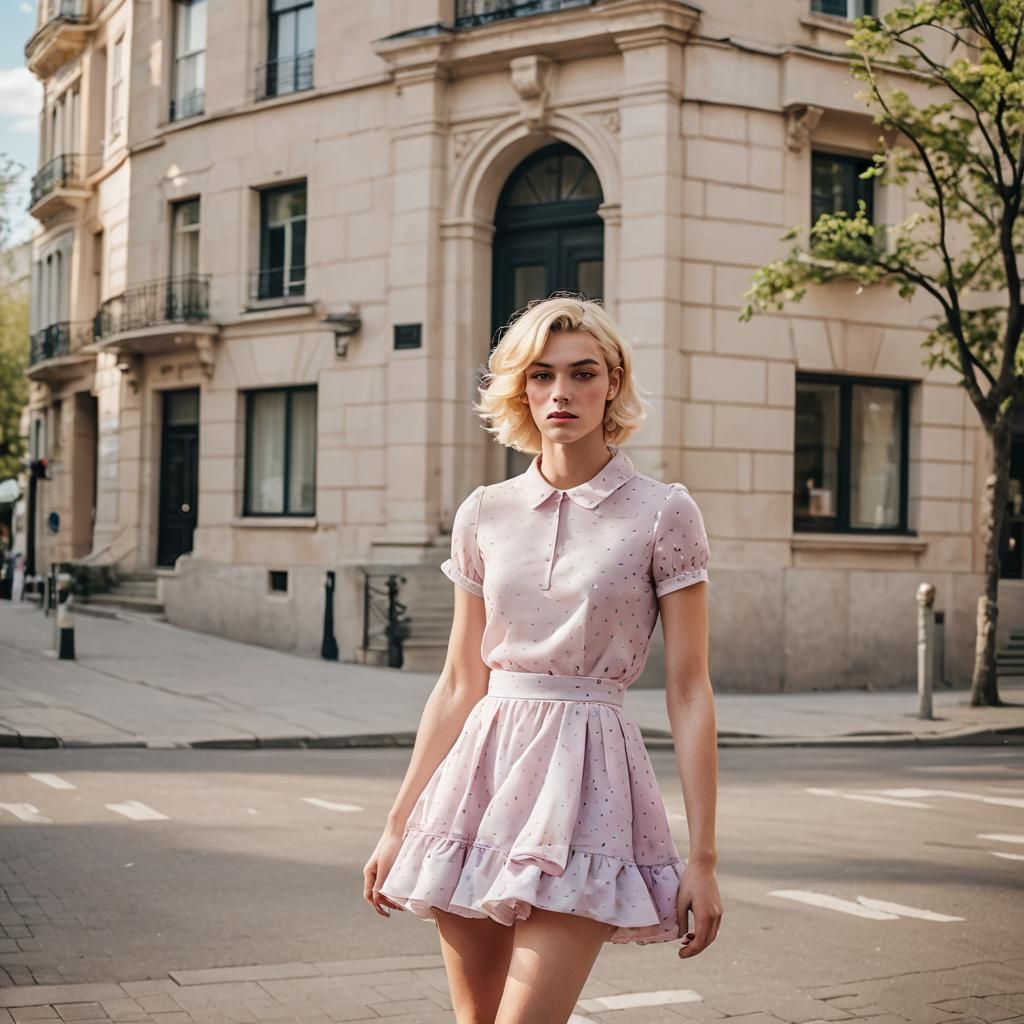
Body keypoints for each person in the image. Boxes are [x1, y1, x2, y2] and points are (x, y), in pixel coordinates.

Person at [364, 293, 722, 1024]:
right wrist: (398, 821)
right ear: (521, 388)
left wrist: (705, 859)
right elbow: (460, 680)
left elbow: (690, 692)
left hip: (590, 780)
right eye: (541, 374)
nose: (562, 392)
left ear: (612, 384)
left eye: (583, 373)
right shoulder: (484, 511)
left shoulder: (663, 511)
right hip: (479, 779)